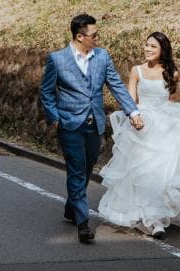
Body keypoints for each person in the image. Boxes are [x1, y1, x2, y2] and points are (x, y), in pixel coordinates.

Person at [97, 31, 180, 238]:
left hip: (167, 126)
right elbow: (130, 100)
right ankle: (147, 216)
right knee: (142, 173)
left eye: (153, 46)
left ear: (163, 50)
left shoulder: (172, 73)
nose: (148, 49)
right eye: (146, 45)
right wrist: (135, 118)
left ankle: (158, 218)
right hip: (142, 125)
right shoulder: (137, 71)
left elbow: (171, 100)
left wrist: (176, 122)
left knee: (164, 175)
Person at [40, 13, 144, 244]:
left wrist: (133, 112)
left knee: (87, 168)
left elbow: (116, 86)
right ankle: (83, 224)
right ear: (79, 36)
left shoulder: (102, 57)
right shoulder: (57, 60)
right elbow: (46, 92)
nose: (97, 38)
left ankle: (71, 208)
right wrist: (54, 118)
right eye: (93, 35)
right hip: (69, 124)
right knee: (77, 170)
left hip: (94, 123)